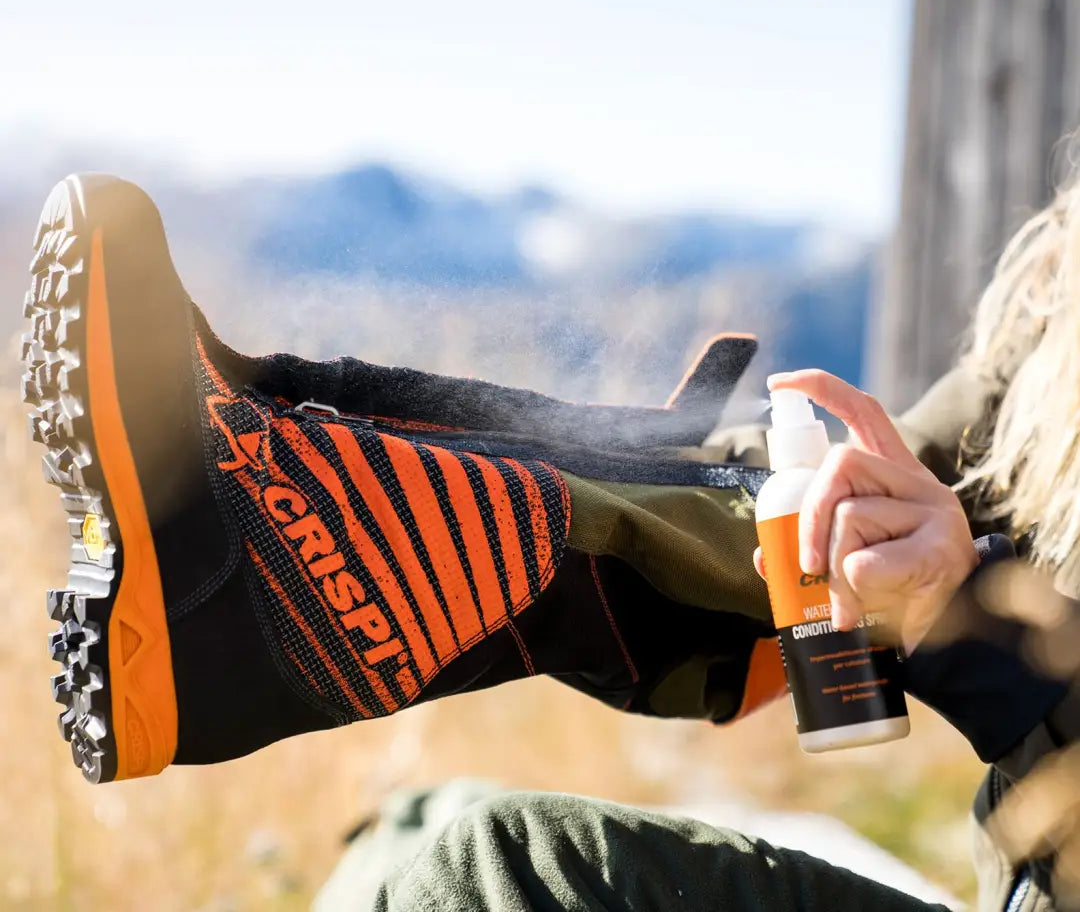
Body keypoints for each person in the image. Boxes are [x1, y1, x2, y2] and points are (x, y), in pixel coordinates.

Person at [22, 172, 1080, 910]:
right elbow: (901, 476)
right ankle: (262, 502)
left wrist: (975, 632)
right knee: (417, 823)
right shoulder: (1057, 315)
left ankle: (246, 588)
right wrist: (702, 469)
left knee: (494, 875)